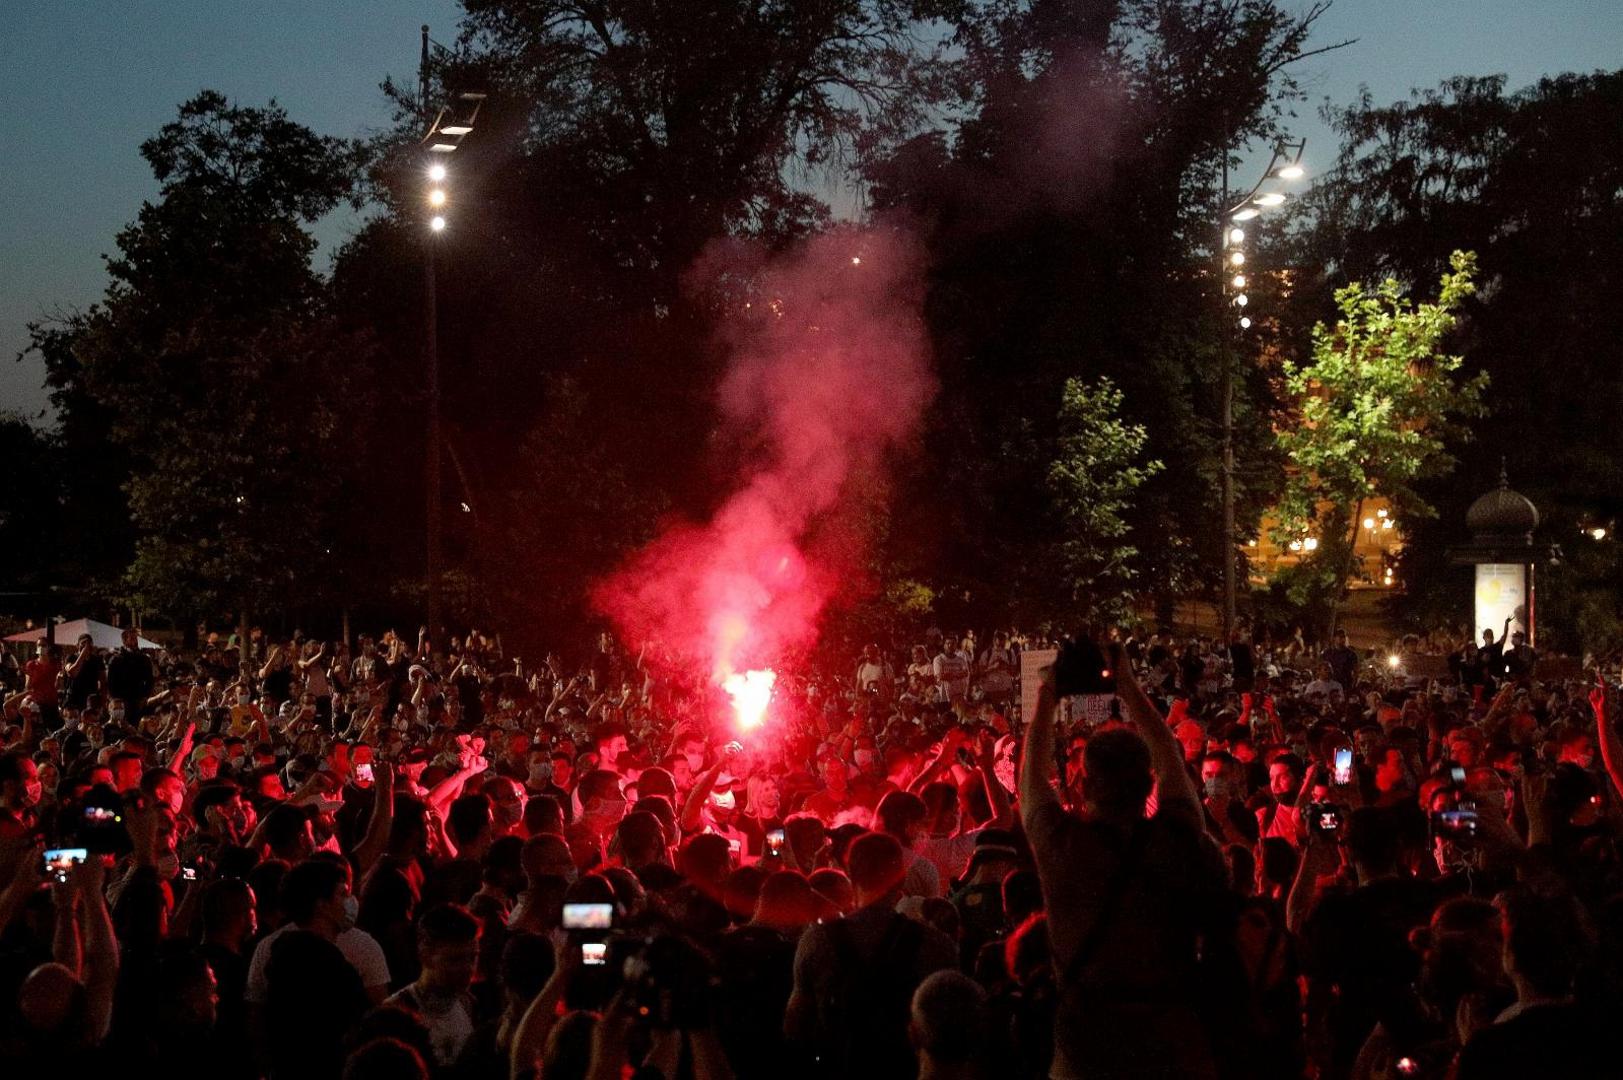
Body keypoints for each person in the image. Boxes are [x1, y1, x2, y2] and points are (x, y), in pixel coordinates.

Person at [1019, 650, 1227, 1079]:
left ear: (1086, 780)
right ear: (1149, 782)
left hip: (1086, 1048)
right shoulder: (1177, 836)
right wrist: (1130, 689)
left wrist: (1046, 695)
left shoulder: (1063, 846)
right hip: (1173, 1042)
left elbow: (1032, 781)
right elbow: (1170, 757)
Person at [785, 831, 957, 1077]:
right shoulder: (935, 945)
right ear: (900, 881)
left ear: (851, 877)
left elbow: (794, 1026)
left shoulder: (817, 941)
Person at [385, 903, 481, 1069]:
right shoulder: (395, 1013)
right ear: (425, 954)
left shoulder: (469, 1005)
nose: (468, 969)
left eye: (472, 958)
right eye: (455, 960)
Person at [106, 628, 155, 723]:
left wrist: (145, 697)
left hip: (139, 700)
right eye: (132, 639)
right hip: (122, 701)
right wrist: (116, 701)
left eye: (136, 639)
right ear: (125, 641)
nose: (135, 642)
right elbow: (111, 683)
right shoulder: (116, 660)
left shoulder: (144, 659)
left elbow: (150, 680)